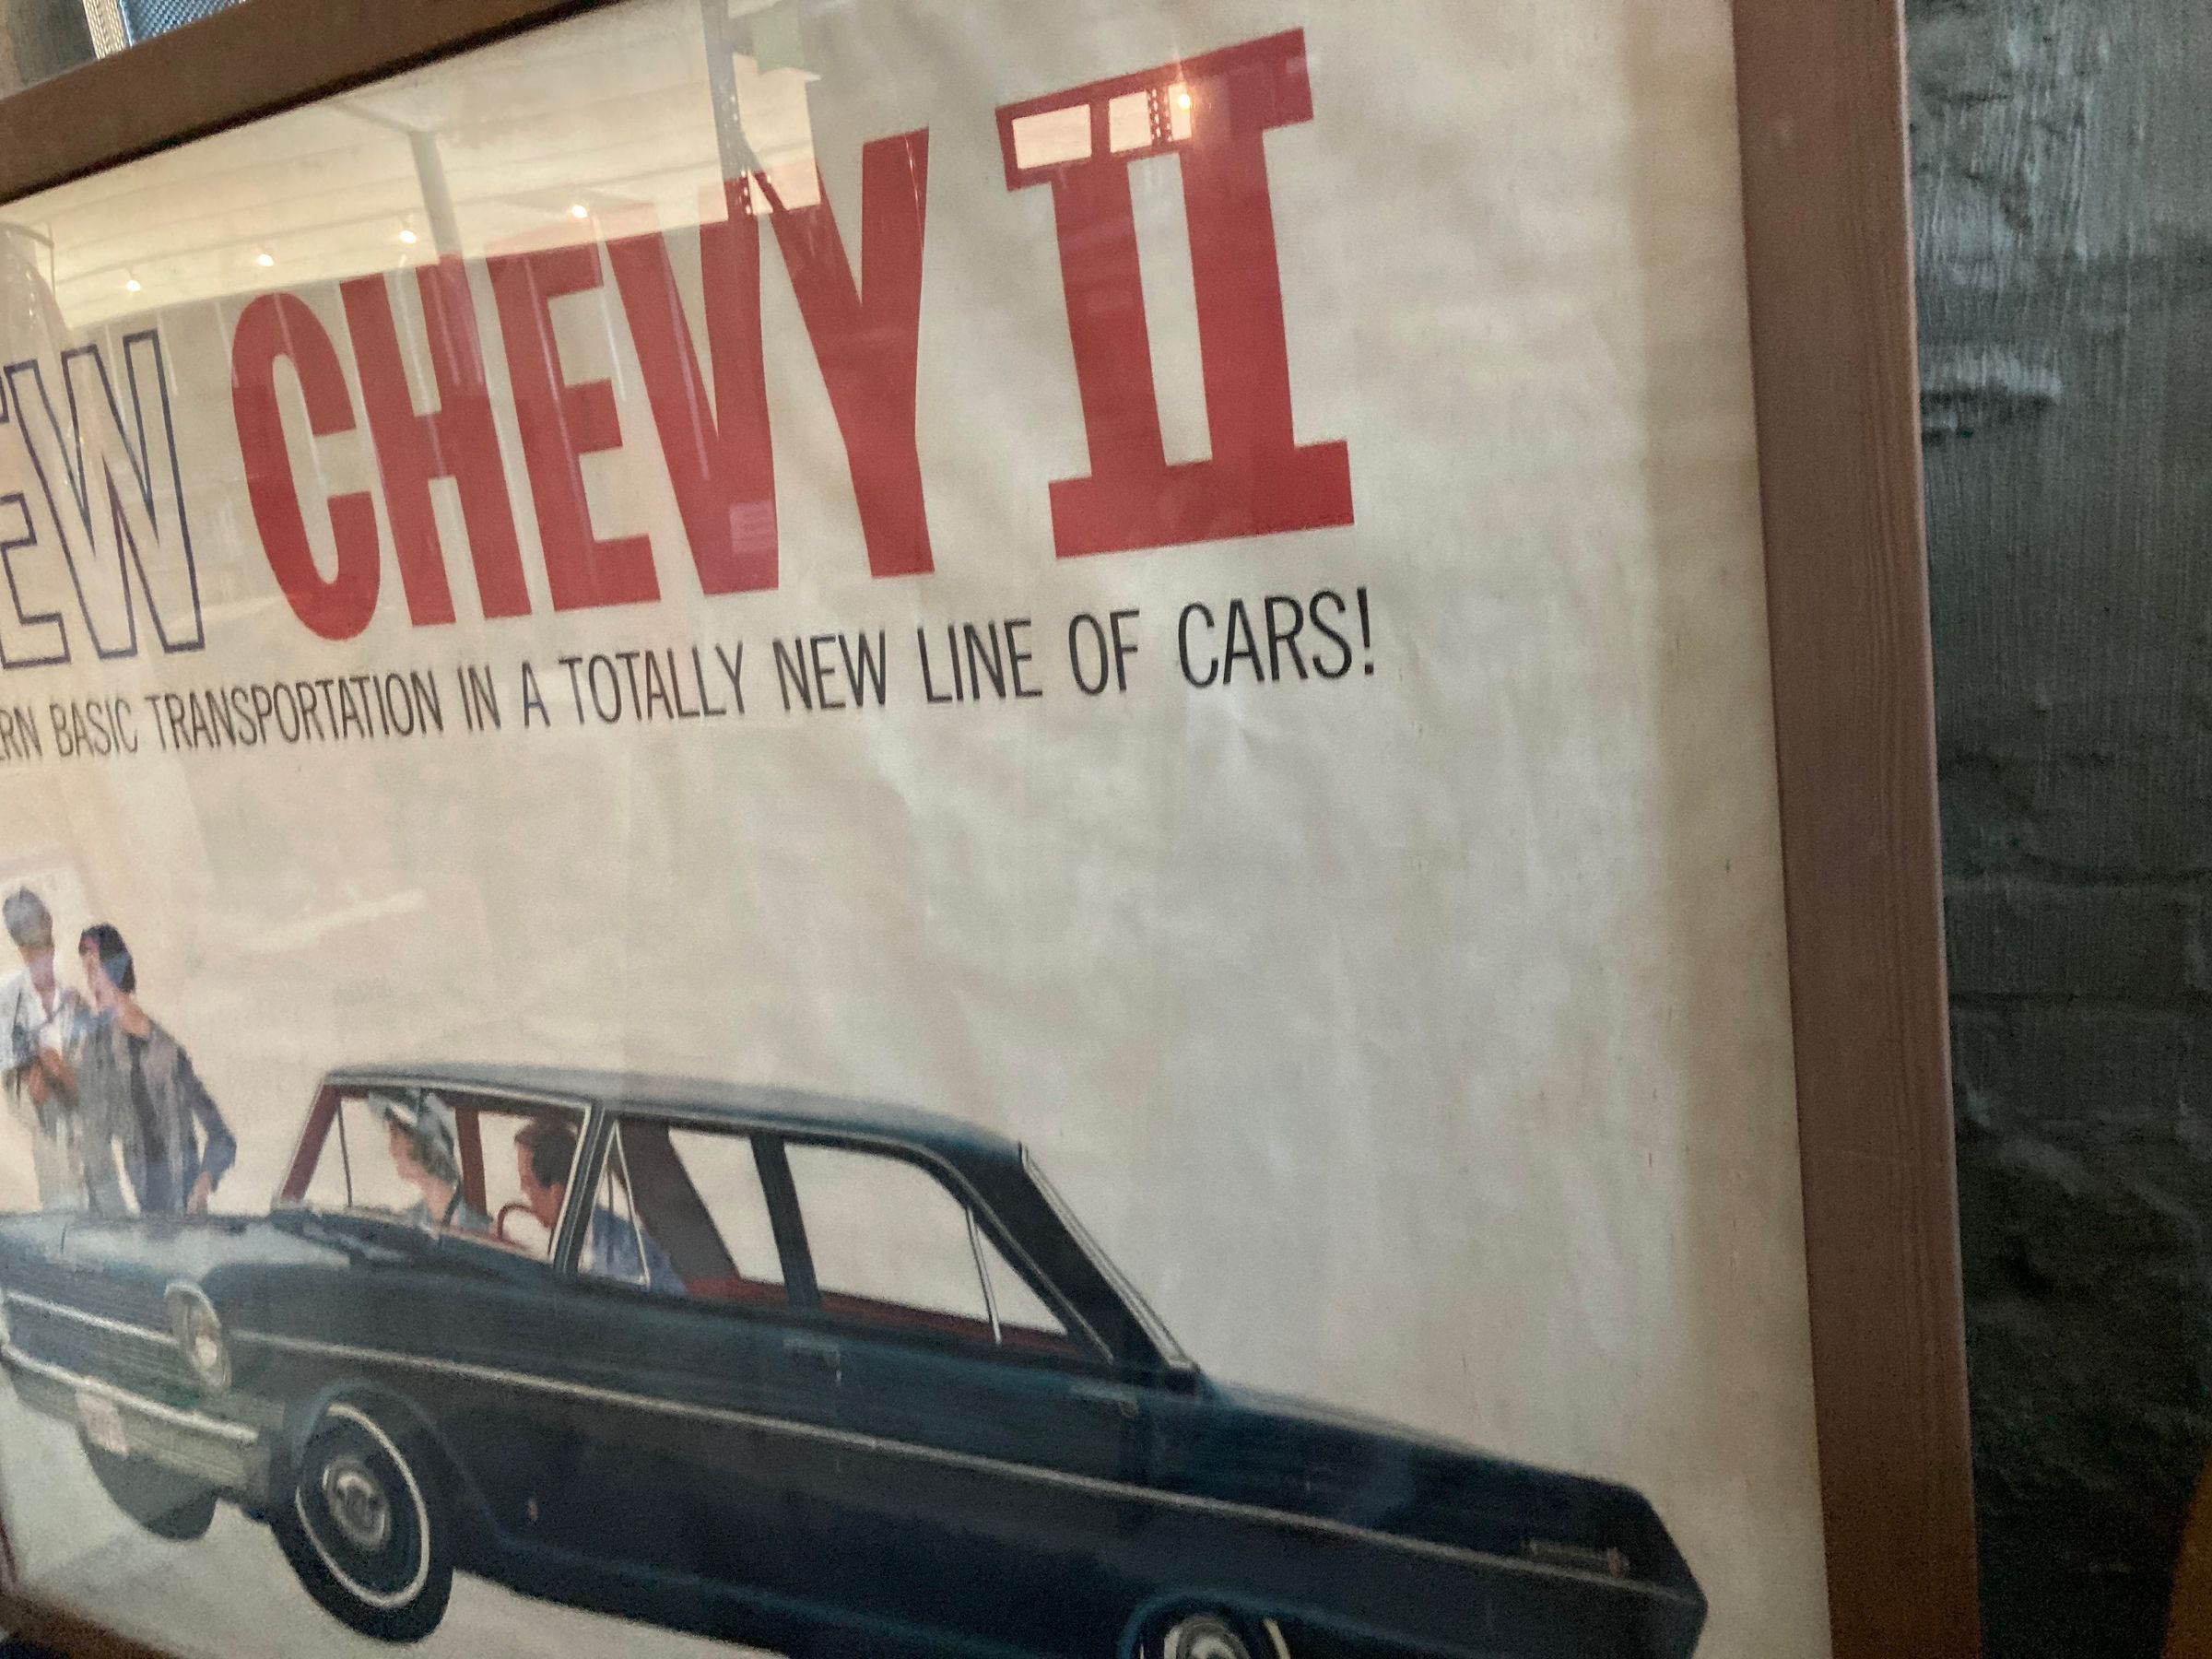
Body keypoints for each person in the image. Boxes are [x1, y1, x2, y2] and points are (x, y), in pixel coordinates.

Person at [75, 924, 232, 1217]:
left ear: (116, 967)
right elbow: (94, 1147)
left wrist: (204, 1184)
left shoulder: (168, 1051)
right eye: (87, 972)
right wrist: (118, 1216)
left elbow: (221, 1137)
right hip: (128, 1221)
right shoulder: (97, 1049)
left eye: (94, 969)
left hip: (183, 1220)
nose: (90, 983)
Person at [0, 889, 110, 1209]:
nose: (43, 957)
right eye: (34, 950)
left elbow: (102, 1087)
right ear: (21, 950)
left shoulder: (76, 1002)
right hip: (57, 1176)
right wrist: (37, 1094)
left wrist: (63, 1073)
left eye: (46, 946)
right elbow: (16, 1100)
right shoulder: (8, 1010)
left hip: (100, 1170)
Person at [513, 1116, 683, 1292]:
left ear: (556, 1192)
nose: (522, 1189)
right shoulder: (585, 1233)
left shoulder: (619, 1258)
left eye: (527, 1181)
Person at [371, 1091, 490, 1234]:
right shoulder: (408, 1220)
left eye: (396, 1135)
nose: (391, 1150)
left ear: (423, 1144)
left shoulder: (484, 1232)